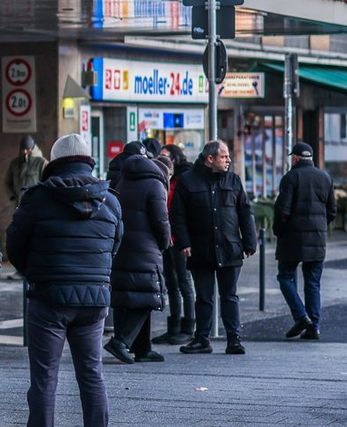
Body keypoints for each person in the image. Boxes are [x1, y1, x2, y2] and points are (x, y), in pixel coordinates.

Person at [5, 132, 123, 427]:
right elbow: (116, 243)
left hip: (48, 298)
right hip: (94, 298)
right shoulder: (110, 200)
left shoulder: (38, 198)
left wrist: (35, 273)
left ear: (54, 161)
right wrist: (95, 275)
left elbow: (15, 246)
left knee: (44, 378)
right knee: (92, 374)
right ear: (88, 159)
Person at [171, 140, 257, 356]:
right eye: (224, 156)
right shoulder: (188, 181)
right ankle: (202, 339)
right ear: (210, 159)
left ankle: (233, 339)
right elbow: (177, 215)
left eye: (228, 156)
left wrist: (250, 242)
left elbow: (245, 212)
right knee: (204, 297)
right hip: (201, 248)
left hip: (229, 247)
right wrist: (184, 242)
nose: (228, 160)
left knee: (230, 296)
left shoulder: (233, 180)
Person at [104, 150, 170, 365]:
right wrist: (165, 242)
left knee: (133, 296)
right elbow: (161, 220)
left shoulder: (124, 181)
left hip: (124, 244)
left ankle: (143, 348)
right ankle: (121, 341)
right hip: (146, 248)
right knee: (149, 297)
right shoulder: (156, 185)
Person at [274, 141, 337, 341]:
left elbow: (282, 210)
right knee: (313, 283)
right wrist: (319, 227)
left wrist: (279, 231)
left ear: (295, 158)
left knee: (285, 277)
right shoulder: (325, 177)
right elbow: (332, 211)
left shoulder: (290, 177)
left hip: (292, 239)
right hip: (317, 239)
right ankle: (314, 327)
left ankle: (301, 316)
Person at [158, 145, 196, 344]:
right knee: (171, 283)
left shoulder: (184, 179)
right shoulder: (164, 178)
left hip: (180, 236)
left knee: (183, 281)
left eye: (165, 156)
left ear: (175, 159)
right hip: (167, 236)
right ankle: (173, 327)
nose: (161, 160)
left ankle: (188, 327)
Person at [4, 135, 46, 206]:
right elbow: (7, 181)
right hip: (19, 203)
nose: (25, 151)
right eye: (22, 149)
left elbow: (47, 182)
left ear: (32, 148)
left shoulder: (42, 163)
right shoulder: (15, 164)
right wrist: (13, 197)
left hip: (36, 203)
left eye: (27, 149)